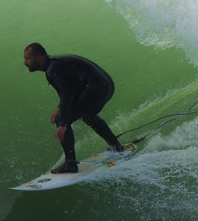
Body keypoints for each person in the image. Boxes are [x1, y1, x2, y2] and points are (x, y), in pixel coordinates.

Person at [23, 42, 124, 173]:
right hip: (105, 85)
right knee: (88, 116)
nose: (25, 62)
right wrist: (61, 107)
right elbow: (71, 88)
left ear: (41, 56)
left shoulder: (52, 70)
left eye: (28, 58)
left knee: (61, 119)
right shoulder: (55, 64)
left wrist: (64, 123)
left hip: (96, 88)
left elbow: (66, 95)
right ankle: (116, 146)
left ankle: (70, 163)